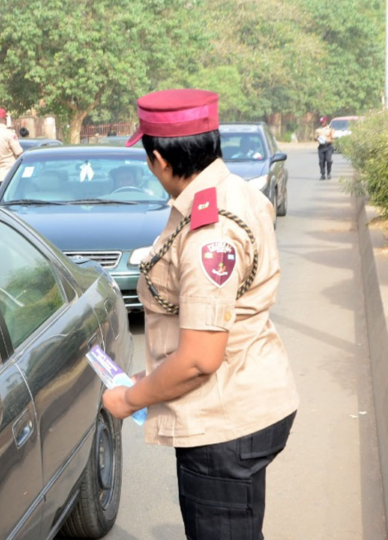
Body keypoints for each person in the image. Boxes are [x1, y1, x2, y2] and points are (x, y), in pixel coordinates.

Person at [102, 89, 299, 539]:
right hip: (243, 397)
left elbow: (199, 359)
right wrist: (146, 381)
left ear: (161, 160)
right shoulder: (229, 191)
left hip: (223, 419)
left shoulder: (210, 232)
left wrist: (129, 401)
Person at [315, 116, 335, 180]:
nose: (322, 123)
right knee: (321, 162)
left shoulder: (330, 129)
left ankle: (328, 173)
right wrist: (317, 139)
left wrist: (328, 141)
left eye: (323, 122)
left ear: (326, 122)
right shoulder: (318, 130)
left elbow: (333, 139)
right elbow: (315, 138)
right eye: (321, 122)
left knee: (329, 160)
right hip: (321, 147)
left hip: (328, 146)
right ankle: (323, 174)